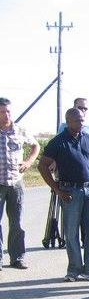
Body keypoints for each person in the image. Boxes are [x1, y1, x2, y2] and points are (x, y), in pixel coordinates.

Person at [38, 108, 89, 282]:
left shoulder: (88, 138)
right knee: (71, 233)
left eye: (82, 120)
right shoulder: (58, 142)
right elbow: (42, 166)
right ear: (68, 121)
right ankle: (74, 270)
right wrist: (57, 189)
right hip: (69, 192)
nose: (81, 123)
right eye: (77, 120)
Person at [0, 98, 40, 271]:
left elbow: (35, 146)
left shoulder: (20, 130)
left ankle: (17, 257)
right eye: (2, 112)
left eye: (8, 111)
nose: (6, 115)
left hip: (16, 182)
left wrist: (28, 162)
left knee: (17, 223)